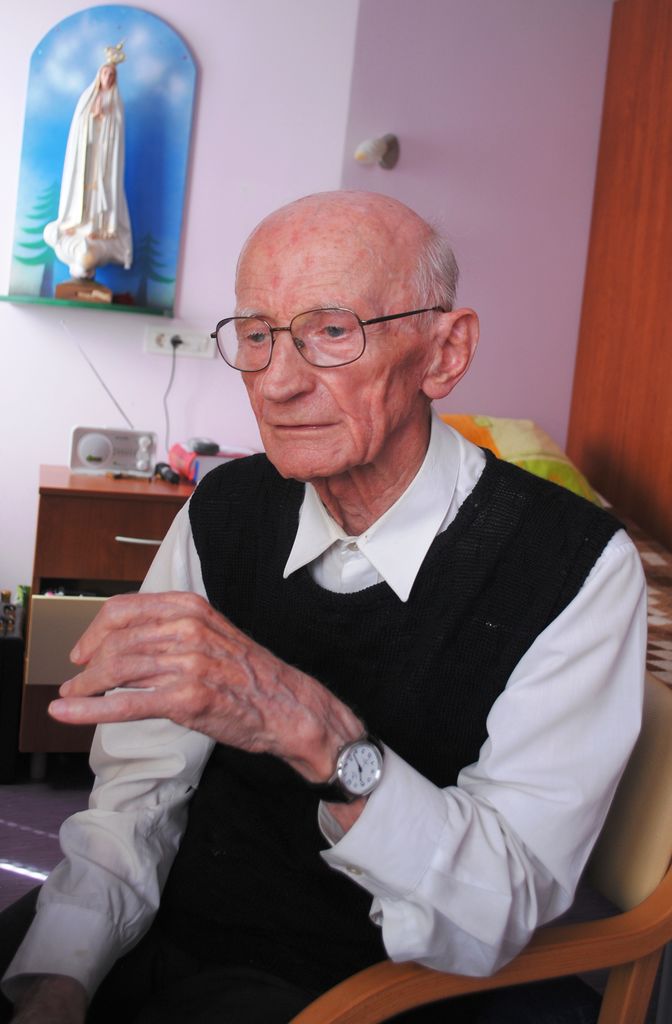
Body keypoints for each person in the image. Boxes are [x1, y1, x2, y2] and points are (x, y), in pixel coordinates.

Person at [1, 191, 646, 1023]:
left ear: (445, 353)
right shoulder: (226, 510)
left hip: (377, 985)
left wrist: (311, 729)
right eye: (256, 334)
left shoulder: (574, 566)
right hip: (173, 924)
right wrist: (64, 974)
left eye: (332, 331)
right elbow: (140, 789)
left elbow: (499, 901)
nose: (276, 383)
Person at [43, 45, 132, 281]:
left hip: (104, 160)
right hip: (87, 156)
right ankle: (78, 221)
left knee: (100, 192)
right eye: (106, 73)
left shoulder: (117, 104)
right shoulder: (87, 98)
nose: (108, 78)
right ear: (99, 75)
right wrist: (93, 117)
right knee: (82, 190)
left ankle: (96, 226)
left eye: (112, 75)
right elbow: (80, 128)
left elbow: (117, 133)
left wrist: (106, 118)